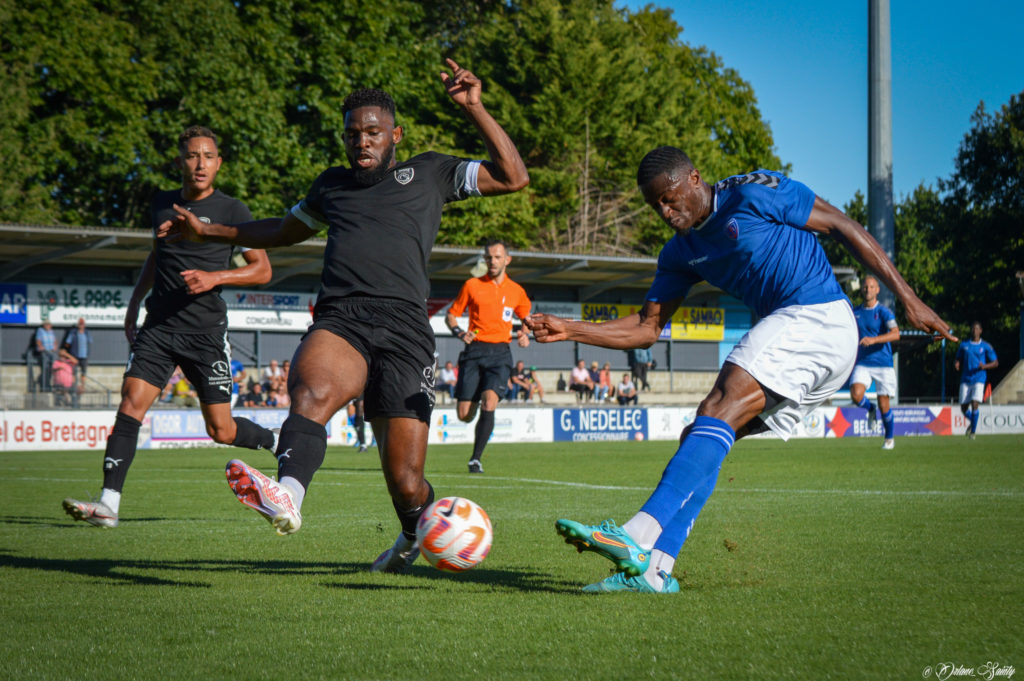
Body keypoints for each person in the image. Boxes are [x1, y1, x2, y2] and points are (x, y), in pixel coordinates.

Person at [526, 146, 954, 594]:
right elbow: (647, 327)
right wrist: (570, 328)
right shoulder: (680, 253)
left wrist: (907, 299)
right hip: (811, 342)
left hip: (818, 316)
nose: (665, 211)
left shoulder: (752, 193)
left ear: (694, 178)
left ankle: (636, 534)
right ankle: (655, 571)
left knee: (717, 405)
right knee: (702, 434)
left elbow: (842, 225)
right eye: (655, 205)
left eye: (670, 198)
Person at [157, 60, 528, 573]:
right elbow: (284, 231)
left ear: (395, 133)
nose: (362, 142)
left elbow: (514, 177)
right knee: (310, 395)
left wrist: (475, 108)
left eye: (373, 132)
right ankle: (287, 495)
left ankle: (409, 538)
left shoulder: (431, 172)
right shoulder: (331, 186)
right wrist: (210, 233)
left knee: (405, 481)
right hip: (343, 318)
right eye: (353, 134)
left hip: (405, 332)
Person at [62, 125, 279, 529]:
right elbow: (156, 255)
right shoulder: (161, 203)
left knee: (221, 429)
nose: (200, 164)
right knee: (130, 404)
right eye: (192, 156)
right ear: (179, 161)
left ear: (218, 163)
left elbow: (262, 269)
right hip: (158, 327)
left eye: (208, 156)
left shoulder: (234, 211)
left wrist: (215, 278)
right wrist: (133, 304)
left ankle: (271, 439)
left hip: (206, 333)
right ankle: (108, 504)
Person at [446, 239, 531, 473]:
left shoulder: (516, 291)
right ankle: (473, 415)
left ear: (507, 259)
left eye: (496, 257)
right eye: (488, 257)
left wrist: (524, 333)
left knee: (489, 400)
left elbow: (527, 318)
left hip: (500, 354)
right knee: (464, 415)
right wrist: (459, 331)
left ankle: (475, 459)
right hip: (474, 352)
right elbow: (451, 315)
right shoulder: (472, 285)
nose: (492, 261)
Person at [848, 275, 900, 449]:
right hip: (863, 362)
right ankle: (870, 409)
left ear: (877, 290)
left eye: (871, 287)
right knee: (856, 394)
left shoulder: (884, 312)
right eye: (865, 287)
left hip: (883, 363)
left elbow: (896, 334)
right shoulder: (855, 313)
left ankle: (889, 439)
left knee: (884, 404)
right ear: (861, 289)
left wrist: (874, 340)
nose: (868, 290)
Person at [954, 321, 998, 440]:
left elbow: (995, 363)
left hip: (979, 378)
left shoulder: (985, 346)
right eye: (973, 329)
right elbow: (958, 358)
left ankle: (973, 432)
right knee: (963, 407)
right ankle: (973, 422)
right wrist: (957, 363)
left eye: (977, 329)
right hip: (965, 378)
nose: (974, 331)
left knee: (975, 404)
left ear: (980, 331)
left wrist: (984, 366)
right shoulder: (964, 345)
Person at [62, 317, 92, 392]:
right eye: (80, 324)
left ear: (84, 325)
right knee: (73, 372)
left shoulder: (87, 333)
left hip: (84, 356)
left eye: (82, 324)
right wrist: (66, 350)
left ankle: (82, 387)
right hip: (74, 356)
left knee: (83, 373)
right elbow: (67, 343)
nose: (81, 325)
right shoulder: (73, 333)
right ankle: (74, 387)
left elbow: (90, 342)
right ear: (78, 325)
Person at [34, 320, 58, 392]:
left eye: (49, 324)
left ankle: (50, 386)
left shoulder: (51, 332)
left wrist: (55, 346)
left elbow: (55, 340)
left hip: (51, 352)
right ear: (44, 325)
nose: (48, 326)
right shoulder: (40, 331)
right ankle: (44, 387)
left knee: (51, 369)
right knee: (45, 370)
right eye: (46, 324)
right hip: (44, 352)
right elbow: (38, 340)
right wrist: (41, 346)